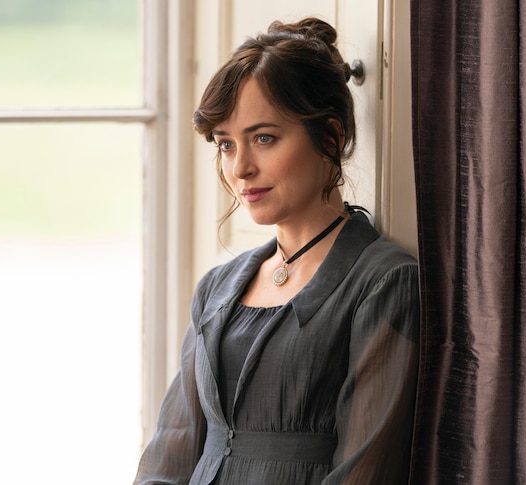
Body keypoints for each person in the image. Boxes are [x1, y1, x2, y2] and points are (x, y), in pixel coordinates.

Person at [134, 17, 419, 485]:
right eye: (226, 144)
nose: (239, 168)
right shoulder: (217, 289)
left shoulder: (384, 284)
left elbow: (365, 472)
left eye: (263, 138)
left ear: (330, 136)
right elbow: (171, 452)